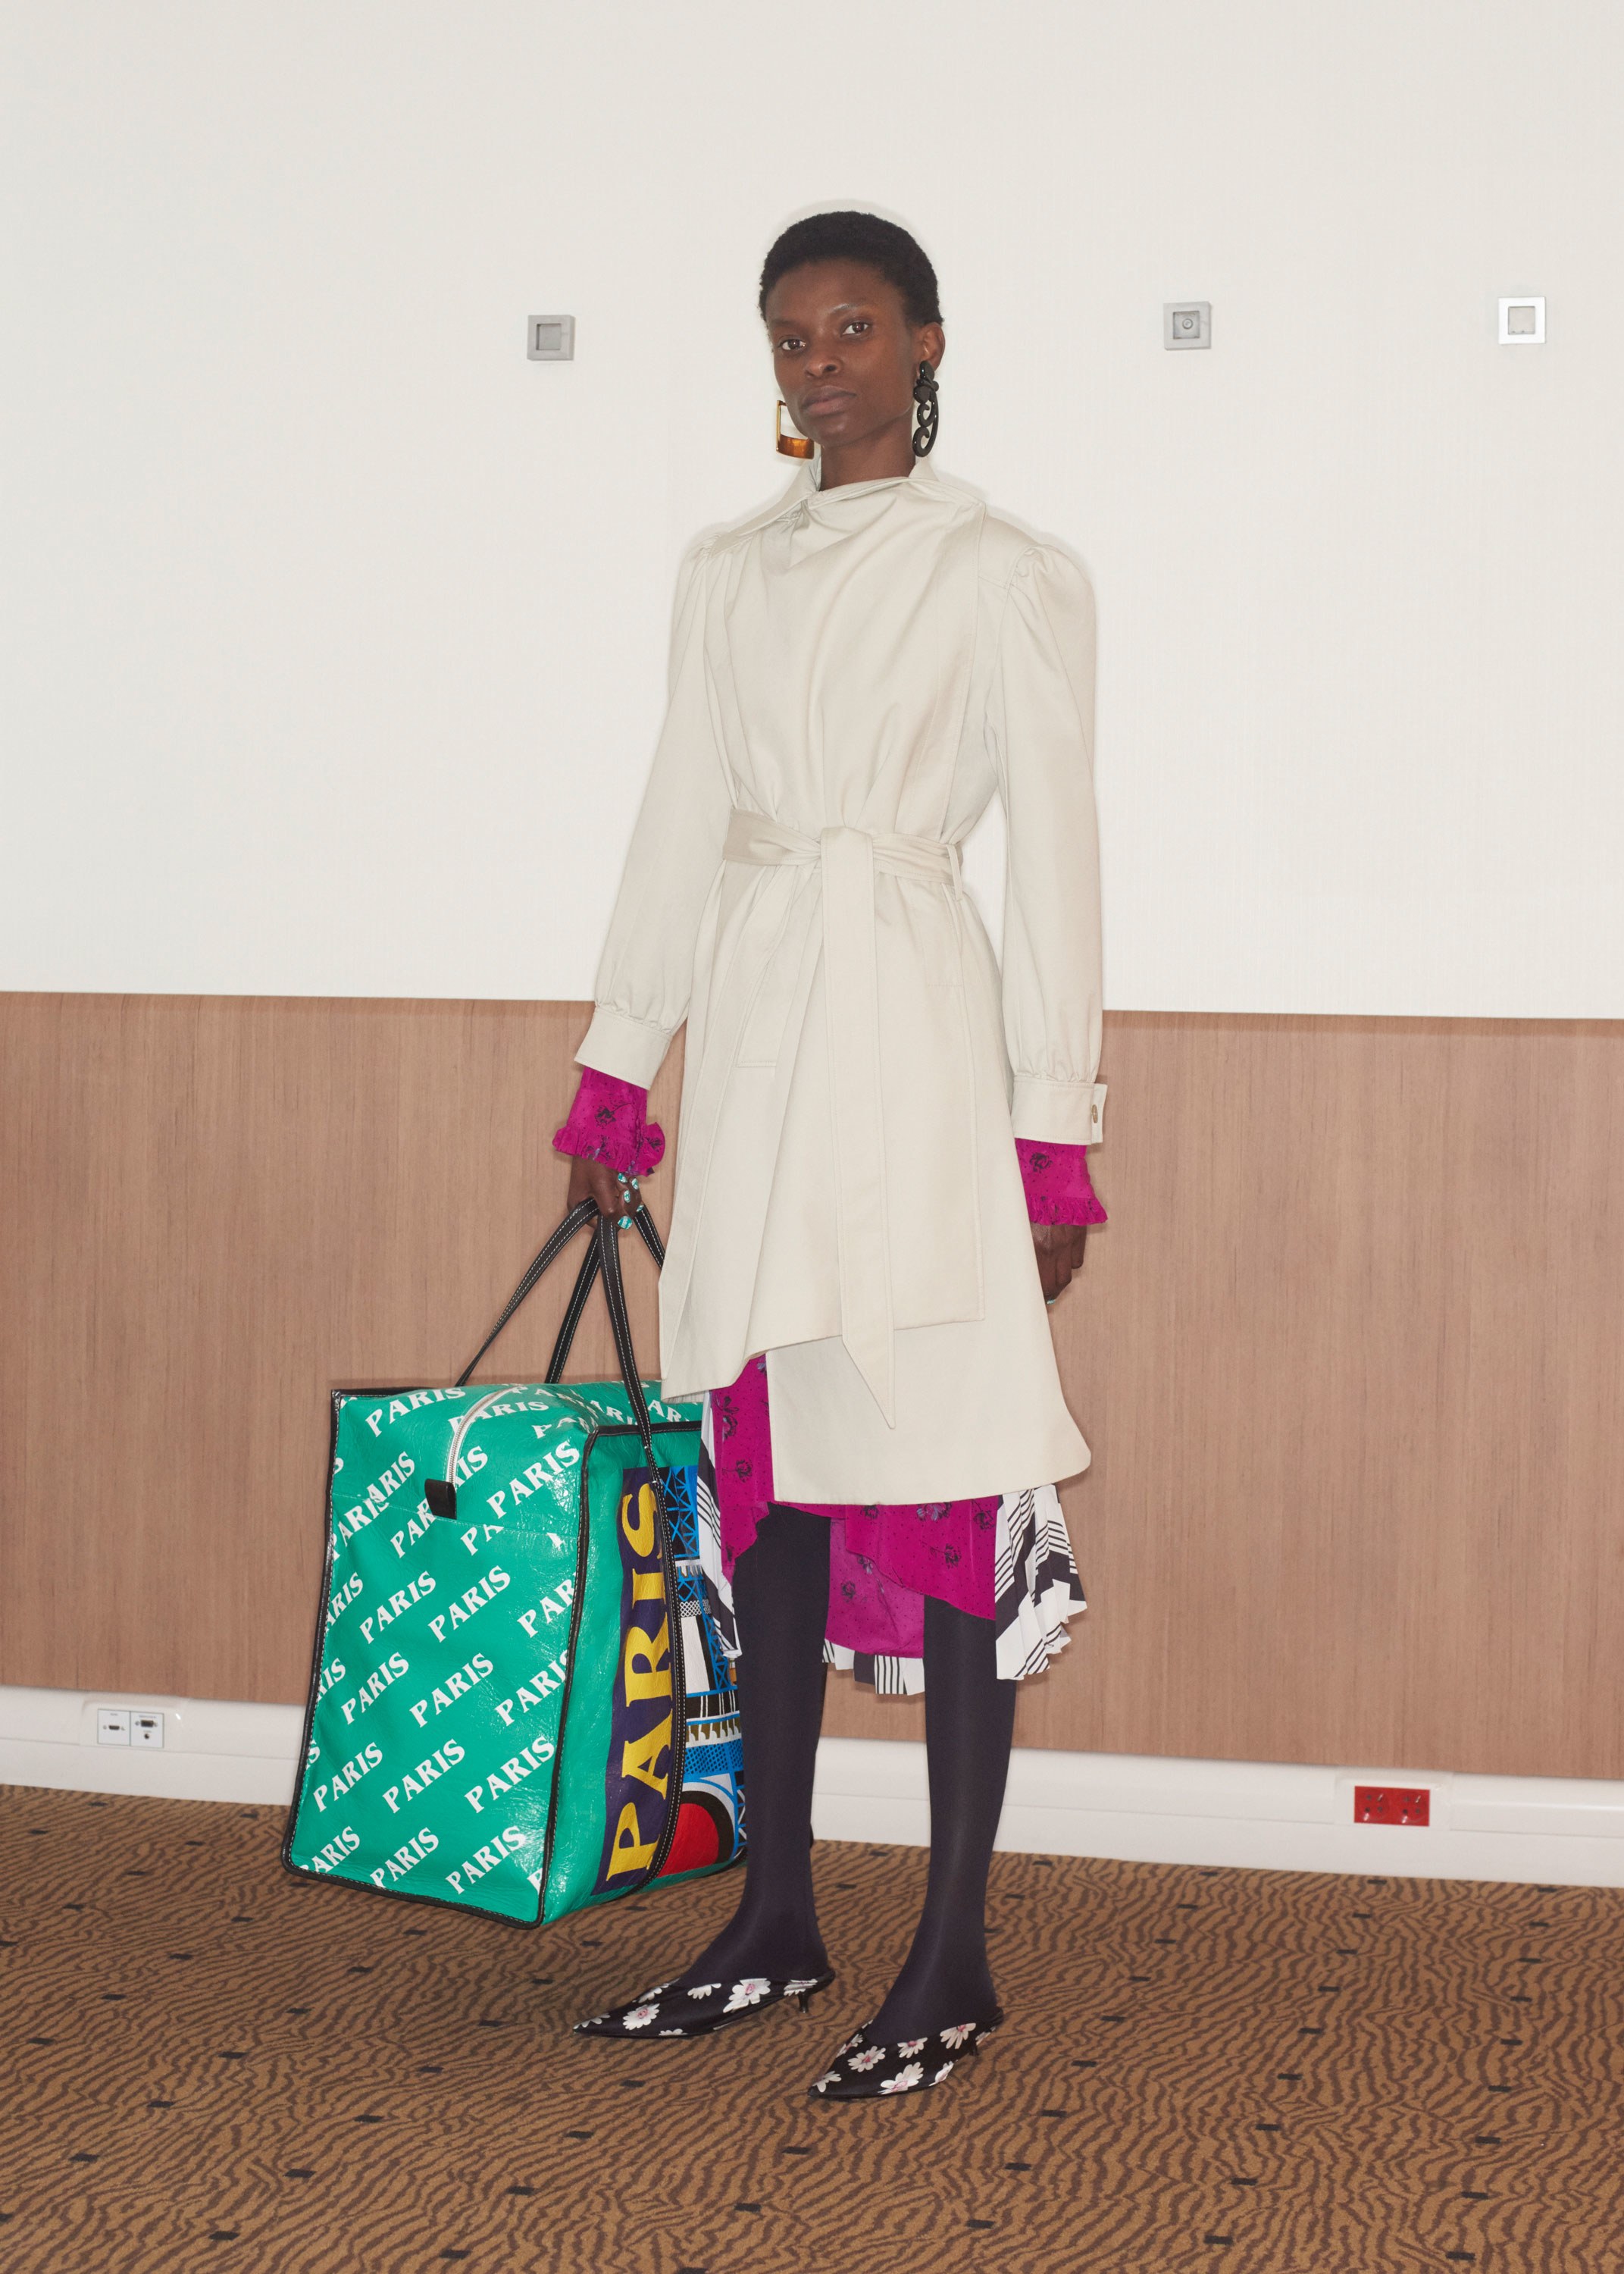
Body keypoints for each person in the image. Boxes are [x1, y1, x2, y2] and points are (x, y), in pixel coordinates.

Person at [554, 210, 1106, 2101]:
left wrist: (1052, 1129)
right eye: (792, 336)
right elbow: (675, 822)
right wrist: (618, 1066)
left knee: (945, 1485)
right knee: (772, 1492)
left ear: (924, 342)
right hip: (762, 1051)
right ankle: (774, 1916)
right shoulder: (726, 573)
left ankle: (950, 1953)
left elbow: (1059, 861)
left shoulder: (1002, 571)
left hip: (921, 1055)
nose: (819, 364)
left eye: (854, 328)